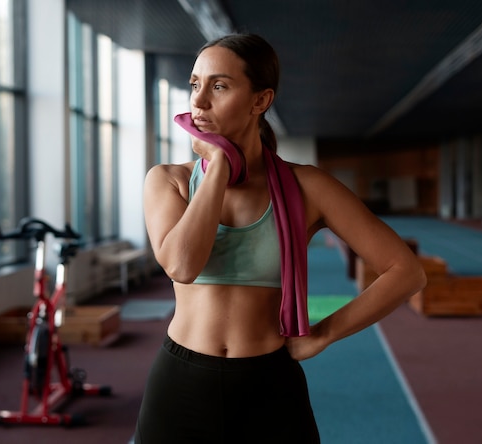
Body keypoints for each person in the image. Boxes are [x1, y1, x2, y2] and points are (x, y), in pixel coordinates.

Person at [136, 33, 426, 444]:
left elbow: (406, 272)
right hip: (182, 384)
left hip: (269, 386)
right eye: (195, 84)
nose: (198, 102)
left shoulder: (309, 187)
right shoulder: (169, 181)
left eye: (219, 86)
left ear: (260, 100)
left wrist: (324, 334)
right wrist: (218, 166)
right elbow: (182, 265)